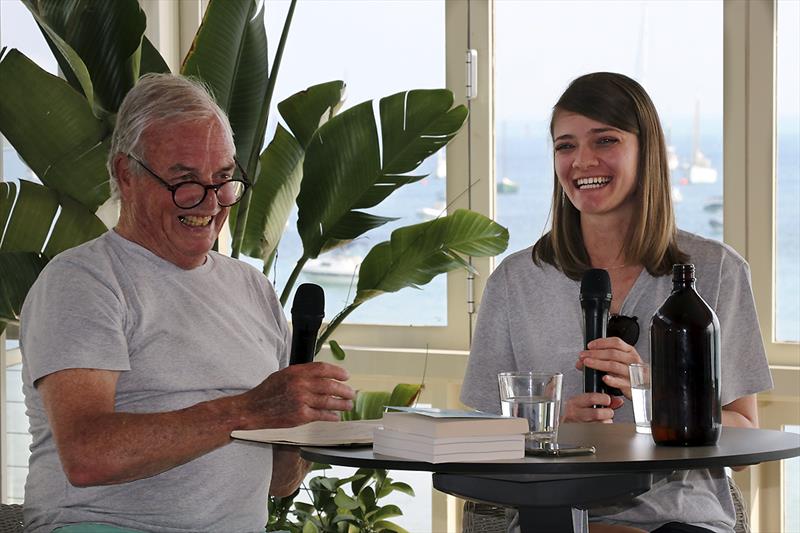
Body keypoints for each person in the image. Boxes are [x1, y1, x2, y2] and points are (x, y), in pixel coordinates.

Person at [19, 73, 355, 533]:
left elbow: (279, 483)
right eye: (184, 180)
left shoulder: (251, 288)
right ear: (125, 174)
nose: (210, 203)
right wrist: (251, 408)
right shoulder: (83, 281)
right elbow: (88, 455)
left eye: (222, 179)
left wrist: (301, 423)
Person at [460, 72, 772, 533]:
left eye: (604, 140)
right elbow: (476, 440)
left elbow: (745, 439)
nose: (582, 161)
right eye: (565, 146)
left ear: (646, 152)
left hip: (679, 521)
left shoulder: (716, 270)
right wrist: (553, 424)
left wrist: (657, 396)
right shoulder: (515, 280)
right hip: (552, 517)